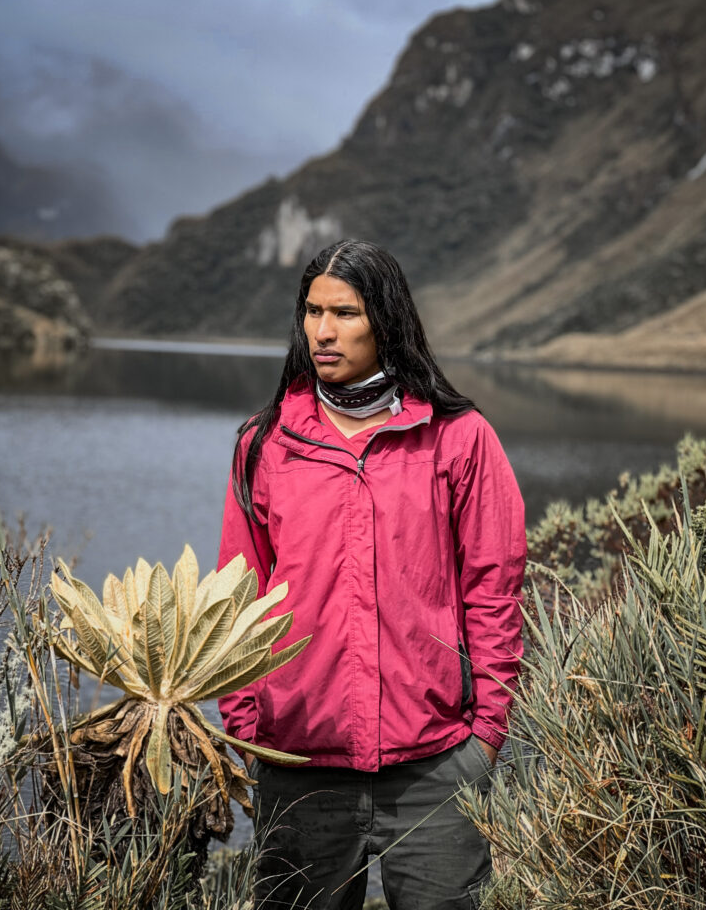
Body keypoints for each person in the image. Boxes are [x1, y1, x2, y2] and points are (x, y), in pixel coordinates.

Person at [217, 239, 526, 910]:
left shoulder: (457, 438)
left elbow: (494, 591)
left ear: (386, 319)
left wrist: (485, 737)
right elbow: (234, 599)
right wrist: (245, 729)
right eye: (311, 311)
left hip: (434, 768)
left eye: (346, 313)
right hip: (298, 769)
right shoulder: (266, 445)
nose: (322, 331)